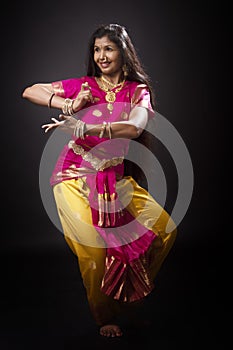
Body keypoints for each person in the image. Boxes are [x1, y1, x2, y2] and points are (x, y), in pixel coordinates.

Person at [22, 23, 177, 338]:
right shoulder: (85, 86)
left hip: (114, 180)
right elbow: (31, 90)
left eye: (109, 48)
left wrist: (89, 128)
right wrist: (68, 105)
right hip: (74, 175)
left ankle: (127, 301)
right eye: (97, 49)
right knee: (92, 250)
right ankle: (103, 316)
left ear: (123, 51)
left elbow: (134, 126)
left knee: (163, 230)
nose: (102, 56)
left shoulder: (138, 91)